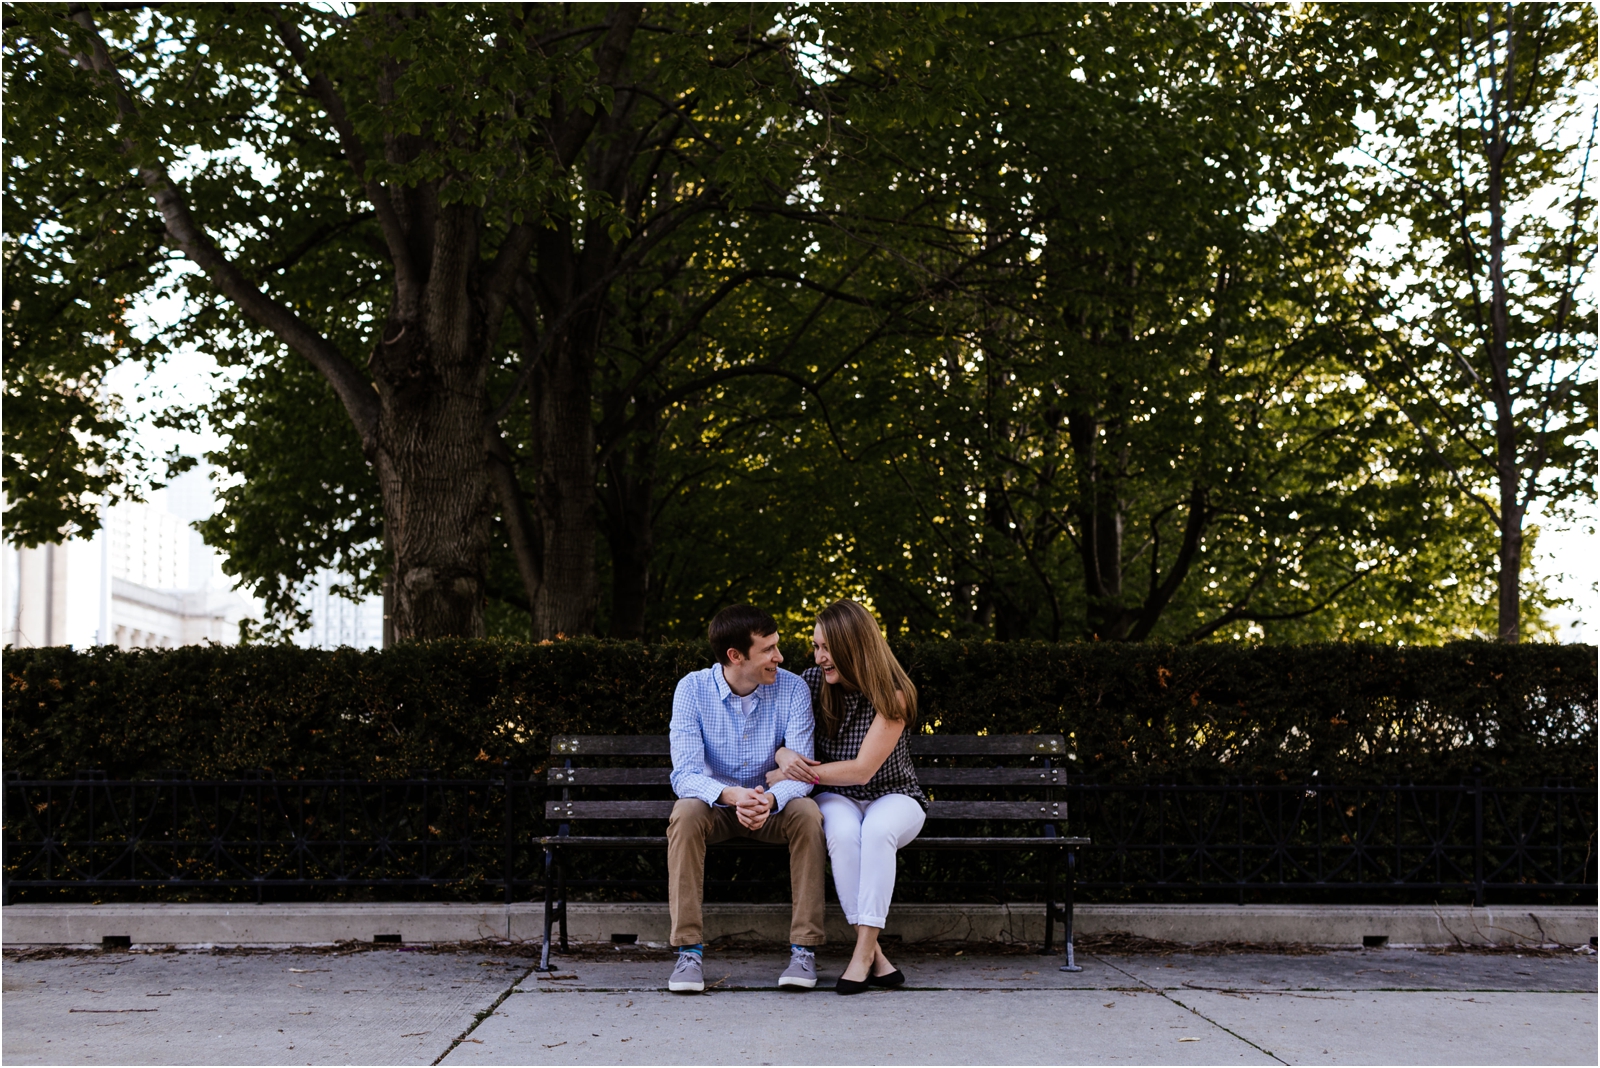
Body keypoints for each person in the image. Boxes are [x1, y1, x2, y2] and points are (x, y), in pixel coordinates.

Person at [666, 604, 825, 993]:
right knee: (685, 813)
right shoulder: (692, 689)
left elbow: (803, 774)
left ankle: (804, 949)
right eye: (768, 649)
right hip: (717, 809)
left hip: (774, 810)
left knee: (808, 812)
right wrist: (732, 795)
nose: (779, 657)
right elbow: (684, 774)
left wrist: (769, 800)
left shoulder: (793, 687)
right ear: (735, 656)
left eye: (778, 645)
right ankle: (688, 952)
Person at [769, 598, 926, 994]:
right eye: (816, 647)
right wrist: (784, 754)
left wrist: (796, 769)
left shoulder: (894, 694)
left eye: (826, 648)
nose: (819, 657)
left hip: (895, 795)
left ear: (852, 644)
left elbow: (862, 769)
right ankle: (876, 954)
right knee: (841, 832)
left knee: (876, 831)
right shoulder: (809, 683)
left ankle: (861, 955)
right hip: (835, 795)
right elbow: (782, 743)